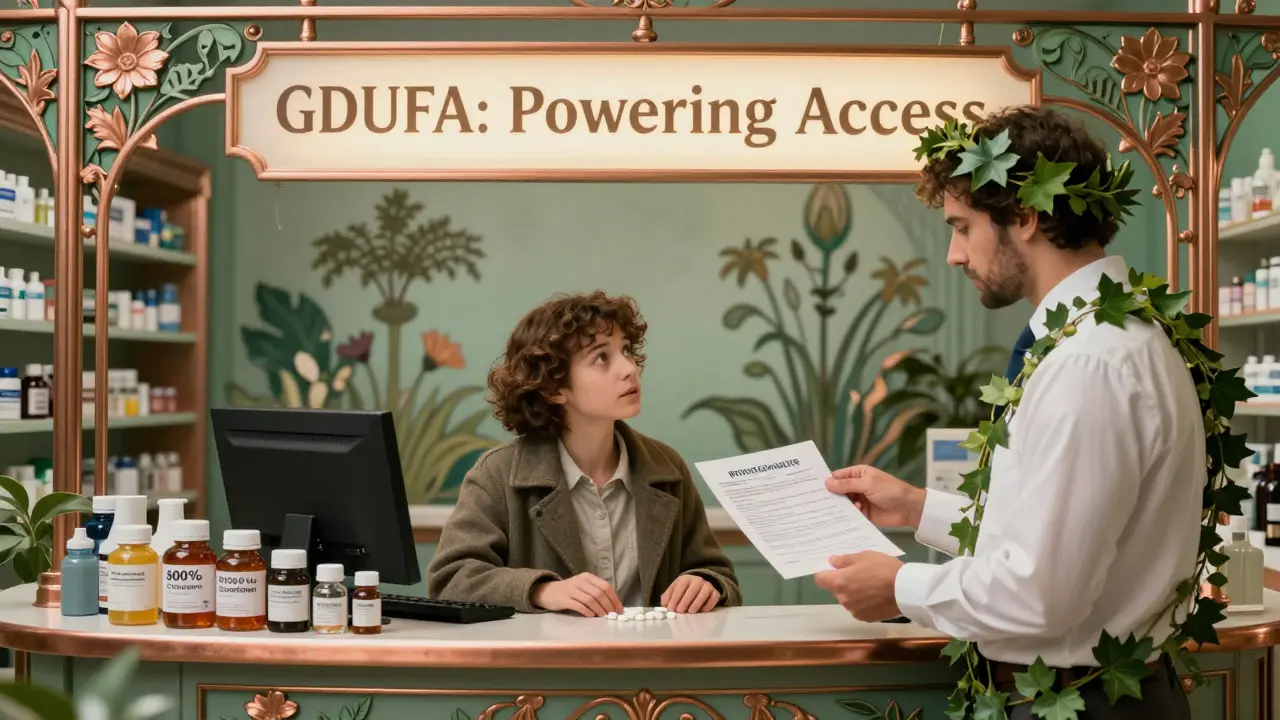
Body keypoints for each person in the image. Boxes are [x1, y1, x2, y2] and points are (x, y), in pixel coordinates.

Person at [813, 106, 1200, 718]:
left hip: (1084, 702)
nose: (953, 255)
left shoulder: (1090, 364)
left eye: (962, 227)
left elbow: (1043, 593)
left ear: (1025, 217)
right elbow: (1058, 528)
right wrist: (918, 507)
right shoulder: (1105, 336)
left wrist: (898, 586)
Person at [427, 290, 741, 617]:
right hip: (550, 666)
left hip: (651, 663)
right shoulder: (497, 474)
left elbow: (717, 572)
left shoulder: (667, 467)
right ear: (553, 388)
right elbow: (450, 579)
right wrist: (543, 591)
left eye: (625, 351)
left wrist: (705, 583)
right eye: (601, 357)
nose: (629, 368)